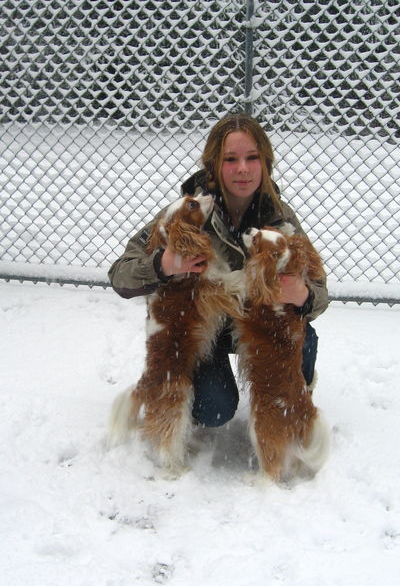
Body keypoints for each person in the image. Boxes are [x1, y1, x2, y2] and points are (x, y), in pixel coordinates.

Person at [108, 114, 328, 428]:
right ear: (214, 163)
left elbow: (320, 292)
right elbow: (120, 274)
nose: (243, 168)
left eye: (253, 158)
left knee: (303, 338)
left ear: (265, 162)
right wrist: (163, 265)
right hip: (201, 331)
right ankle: (193, 394)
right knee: (214, 410)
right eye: (230, 159)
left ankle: (291, 395)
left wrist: (303, 295)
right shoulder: (184, 215)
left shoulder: (280, 218)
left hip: (253, 327)